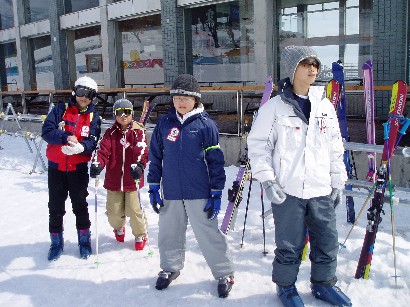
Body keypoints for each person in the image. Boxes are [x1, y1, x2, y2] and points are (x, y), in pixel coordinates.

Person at [247, 46, 351, 307]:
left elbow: (335, 146)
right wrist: (268, 180)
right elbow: (259, 145)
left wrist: (337, 182)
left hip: (321, 189)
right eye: (307, 64)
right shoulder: (275, 107)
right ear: (294, 70)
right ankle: (286, 287)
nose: (313, 69)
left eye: (315, 64)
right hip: (288, 191)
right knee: (289, 245)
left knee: (327, 242)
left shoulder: (325, 105)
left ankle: (324, 284)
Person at [147, 74, 234, 298]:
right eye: (177, 97)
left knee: (208, 232)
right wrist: (154, 185)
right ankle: (170, 268)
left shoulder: (206, 125)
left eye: (186, 97)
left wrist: (216, 191)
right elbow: (155, 156)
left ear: (196, 99)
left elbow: (215, 159)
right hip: (172, 190)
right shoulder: (165, 124)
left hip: (199, 190)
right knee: (169, 232)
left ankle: (224, 273)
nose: (181, 102)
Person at [42, 76, 101, 261]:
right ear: (75, 91)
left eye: (89, 94)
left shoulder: (93, 117)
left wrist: (81, 148)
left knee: (80, 205)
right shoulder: (60, 110)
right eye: (81, 92)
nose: (84, 97)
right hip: (56, 168)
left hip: (78, 169)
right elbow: (47, 132)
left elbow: (92, 141)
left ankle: (84, 242)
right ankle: (56, 242)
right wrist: (66, 137)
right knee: (56, 206)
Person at [89, 98, 148, 251]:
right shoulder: (110, 133)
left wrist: (139, 165)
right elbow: (103, 151)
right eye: (119, 112)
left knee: (134, 210)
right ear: (114, 115)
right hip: (114, 180)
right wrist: (97, 163)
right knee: (113, 212)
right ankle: (119, 227)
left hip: (132, 179)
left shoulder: (138, 132)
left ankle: (140, 233)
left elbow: (142, 150)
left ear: (132, 114)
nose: (123, 116)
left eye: (127, 112)